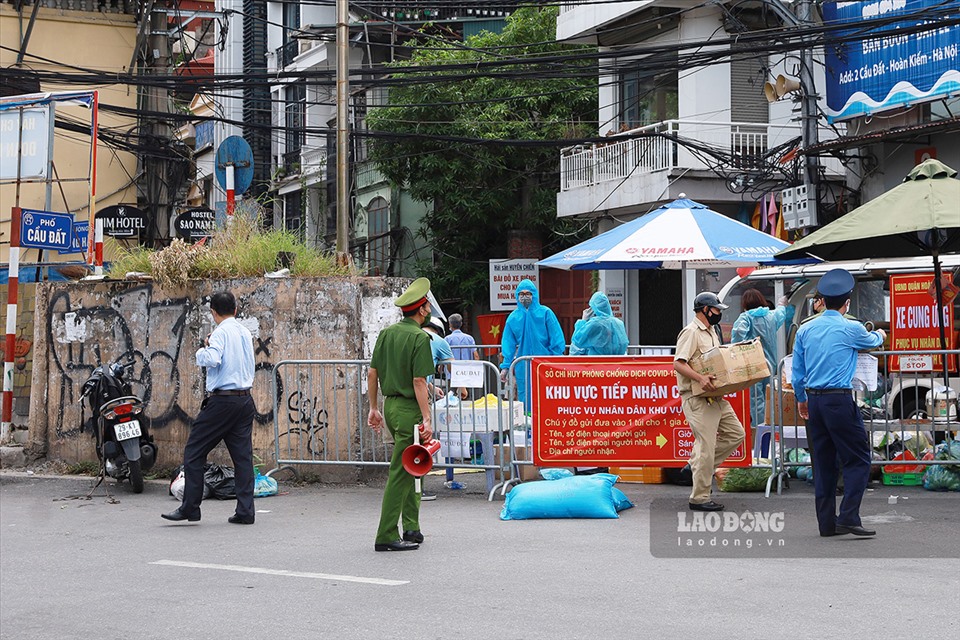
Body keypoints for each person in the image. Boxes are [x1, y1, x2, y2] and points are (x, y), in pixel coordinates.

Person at [792, 269, 886, 538]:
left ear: (821, 301)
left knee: (823, 463)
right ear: (846, 303)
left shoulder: (806, 329)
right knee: (857, 459)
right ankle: (848, 516)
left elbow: (797, 372)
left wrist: (801, 400)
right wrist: (880, 334)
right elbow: (873, 341)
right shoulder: (851, 328)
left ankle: (826, 524)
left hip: (814, 400)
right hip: (839, 400)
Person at [162, 291, 256, 525]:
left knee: (194, 452)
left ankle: (191, 508)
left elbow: (212, 359)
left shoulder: (219, 333)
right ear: (235, 310)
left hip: (223, 401)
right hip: (245, 399)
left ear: (213, 312)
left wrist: (201, 350)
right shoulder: (244, 331)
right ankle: (246, 511)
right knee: (242, 458)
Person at [367, 277, 436, 552]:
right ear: (421, 310)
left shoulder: (386, 334)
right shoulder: (420, 337)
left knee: (413, 467)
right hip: (409, 410)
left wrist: (373, 407)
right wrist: (427, 417)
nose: (429, 307)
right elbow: (420, 382)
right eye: (428, 304)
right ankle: (386, 534)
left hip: (390, 406)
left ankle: (411, 526)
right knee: (401, 472)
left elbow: (372, 373)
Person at [673, 291, 746, 512]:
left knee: (736, 434)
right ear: (705, 310)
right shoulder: (691, 332)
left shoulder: (712, 332)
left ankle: (696, 466)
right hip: (697, 398)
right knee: (706, 447)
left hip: (716, 396)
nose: (718, 314)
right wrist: (700, 378)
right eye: (716, 310)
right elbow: (678, 363)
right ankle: (700, 498)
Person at [730, 288, 795, 425]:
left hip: (752, 366)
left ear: (745, 304)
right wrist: (782, 303)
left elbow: (737, 337)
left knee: (755, 400)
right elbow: (781, 312)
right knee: (770, 398)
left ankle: (760, 432)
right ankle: (771, 428)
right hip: (770, 366)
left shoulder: (745, 318)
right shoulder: (771, 316)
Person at [499, 279, 566, 412]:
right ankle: (528, 424)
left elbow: (556, 337)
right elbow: (508, 343)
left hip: (545, 361)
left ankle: (547, 420)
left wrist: (556, 358)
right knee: (525, 393)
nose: (525, 296)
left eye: (528, 293)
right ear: (517, 295)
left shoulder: (545, 313)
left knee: (547, 392)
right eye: (521, 293)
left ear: (534, 294)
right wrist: (506, 366)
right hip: (522, 363)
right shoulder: (513, 318)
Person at [422, 317, 463, 493]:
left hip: (396, 394)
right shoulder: (438, 341)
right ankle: (417, 489)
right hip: (418, 394)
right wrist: (462, 387)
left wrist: (432, 387)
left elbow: (418, 376)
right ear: (439, 330)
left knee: (404, 444)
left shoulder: (408, 337)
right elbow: (452, 367)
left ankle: (408, 488)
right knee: (421, 438)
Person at [569, 291, 629, 356]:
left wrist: (583, 321)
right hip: (617, 363)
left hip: (597, 362)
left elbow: (577, 341)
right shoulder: (619, 323)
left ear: (594, 308)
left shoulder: (595, 323)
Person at [445, 313, 480, 401]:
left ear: (450, 324)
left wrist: (441, 367)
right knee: (468, 396)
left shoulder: (447, 339)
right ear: (461, 324)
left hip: (452, 373)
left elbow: (444, 356)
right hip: (467, 371)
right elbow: (476, 355)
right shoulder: (469, 338)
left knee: (451, 395)